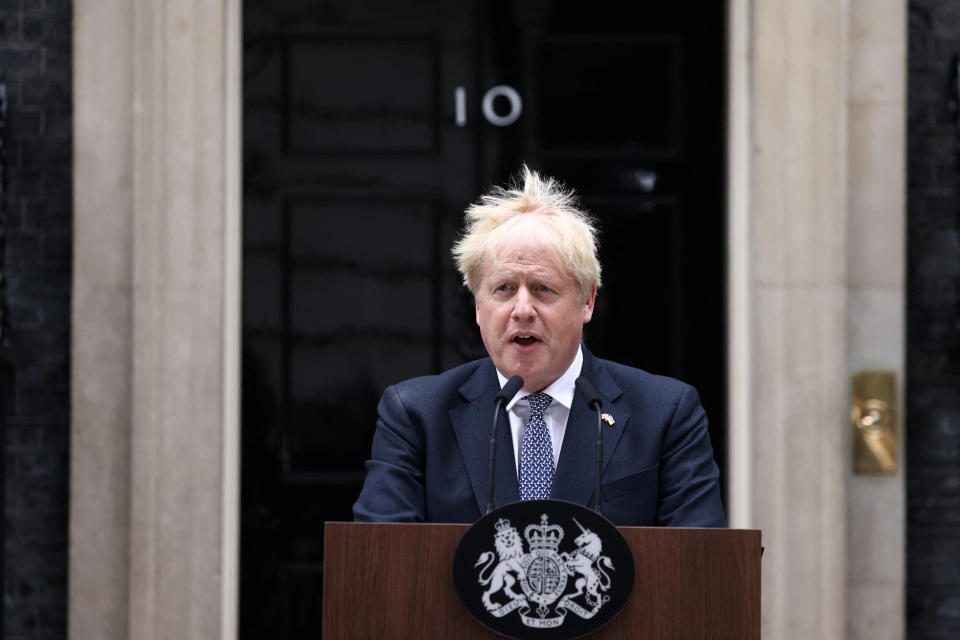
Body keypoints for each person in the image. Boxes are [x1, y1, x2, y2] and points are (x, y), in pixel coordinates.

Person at [353, 166, 725, 527]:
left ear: (587, 302)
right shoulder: (416, 416)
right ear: (479, 306)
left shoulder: (666, 414)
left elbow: (697, 570)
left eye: (543, 289)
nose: (523, 310)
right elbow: (381, 565)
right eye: (504, 289)